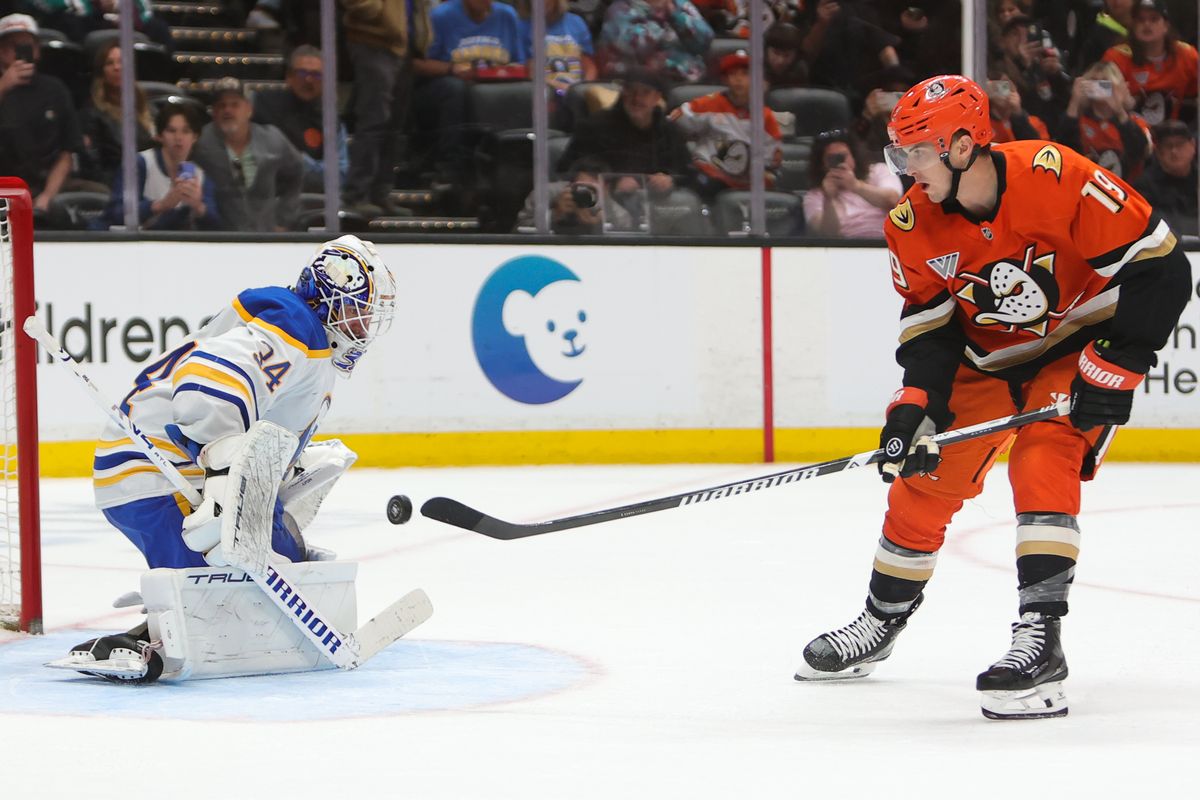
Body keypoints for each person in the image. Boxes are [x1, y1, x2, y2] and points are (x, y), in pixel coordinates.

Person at [794, 75, 1191, 720]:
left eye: (915, 151)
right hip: (984, 360)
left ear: (961, 144)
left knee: (1043, 459)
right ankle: (880, 621)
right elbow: (928, 324)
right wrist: (912, 405)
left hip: (1074, 348)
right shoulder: (911, 222)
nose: (904, 168)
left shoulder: (1053, 173)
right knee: (924, 485)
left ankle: (1041, 640)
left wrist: (1118, 365)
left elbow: (1162, 267)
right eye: (899, 153)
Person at [64, 235, 397, 682]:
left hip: (165, 468)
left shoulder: (306, 344)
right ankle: (155, 634)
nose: (363, 325)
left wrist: (284, 472)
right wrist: (224, 489)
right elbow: (204, 390)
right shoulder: (299, 327)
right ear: (327, 298)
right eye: (358, 309)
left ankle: (170, 617)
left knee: (287, 552)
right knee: (237, 586)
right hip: (156, 471)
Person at [412, 0, 526, 187]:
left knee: (520, 92)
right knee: (454, 89)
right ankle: (449, 166)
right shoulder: (441, 16)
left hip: (493, 88)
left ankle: (511, 162)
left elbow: (519, 63)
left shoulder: (507, 15)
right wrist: (452, 69)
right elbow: (417, 65)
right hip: (445, 86)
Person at [341, 0, 432, 217]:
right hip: (373, 41)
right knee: (374, 119)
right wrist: (378, 12)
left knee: (394, 123)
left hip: (403, 44)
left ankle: (380, 193)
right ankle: (357, 194)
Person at [0, 13, 85, 220]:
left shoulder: (55, 90)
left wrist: (46, 197)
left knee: (94, 197)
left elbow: (67, 152)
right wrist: (3, 86)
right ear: (1, 51)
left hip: (47, 185)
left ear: (37, 50)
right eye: (13, 46)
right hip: (4, 185)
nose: (20, 52)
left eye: (27, 45)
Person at [191, 76, 303, 232]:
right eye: (221, 106)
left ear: (249, 109)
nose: (227, 110)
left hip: (265, 239)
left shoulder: (272, 139)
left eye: (235, 105)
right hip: (217, 239)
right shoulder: (200, 143)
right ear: (214, 112)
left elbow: (297, 172)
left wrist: (284, 219)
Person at [556, 67, 691, 195]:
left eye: (645, 92)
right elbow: (566, 168)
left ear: (657, 98)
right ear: (622, 92)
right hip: (603, 203)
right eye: (631, 90)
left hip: (656, 207)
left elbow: (688, 173)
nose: (637, 98)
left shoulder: (669, 131)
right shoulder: (594, 125)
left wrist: (670, 180)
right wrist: (610, 181)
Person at [669, 50, 782, 198]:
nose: (739, 79)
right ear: (725, 80)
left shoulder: (765, 116)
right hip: (711, 173)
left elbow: (773, 157)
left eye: (745, 74)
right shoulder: (710, 104)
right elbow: (675, 119)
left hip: (747, 181)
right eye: (733, 74)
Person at [98, 103, 220, 231]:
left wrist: (198, 206)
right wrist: (160, 205)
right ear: (160, 136)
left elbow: (214, 223)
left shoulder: (200, 176)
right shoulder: (139, 164)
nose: (178, 138)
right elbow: (116, 212)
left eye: (186, 131)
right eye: (171, 131)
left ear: (195, 137)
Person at [252, 45, 349, 195]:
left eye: (317, 75)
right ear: (289, 76)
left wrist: (297, 161)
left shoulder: (331, 120)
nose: (309, 80)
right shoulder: (261, 105)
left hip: (312, 201)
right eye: (302, 73)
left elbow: (340, 175)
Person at [1102, 0, 1197, 126]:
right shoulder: (1116, 57)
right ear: (1133, 26)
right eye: (1140, 20)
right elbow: (1097, 94)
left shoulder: (1187, 54)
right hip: (1130, 131)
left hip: (1175, 133)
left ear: (1166, 25)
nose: (1147, 24)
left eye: (1154, 19)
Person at [1057, 61, 1151, 181]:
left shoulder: (1136, 122)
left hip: (1127, 190)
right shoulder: (1078, 121)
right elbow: (1063, 149)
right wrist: (1075, 102)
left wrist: (1119, 111)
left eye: (1105, 82)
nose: (1099, 86)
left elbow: (1142, 153)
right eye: (1094, 81)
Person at [78, 40, 154, 188]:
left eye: (121, 62)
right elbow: (94, 167)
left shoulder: (148, 107)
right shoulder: (92, 114)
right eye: (109, 63)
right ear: (102, 72)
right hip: (117, 185)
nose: (117, 67)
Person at [802, 128, 900, 238]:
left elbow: (893, 200)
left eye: (843, 156)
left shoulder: (879, 170)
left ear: (853, 157)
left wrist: (855, 186)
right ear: (822, 164)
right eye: (832, 159)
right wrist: (829, 199)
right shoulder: (814, 196)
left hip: (887, 239)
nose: (840, 162)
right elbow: (827, 234)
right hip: (847, 246)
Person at [596, 0, 714, 84]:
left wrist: (673, 12)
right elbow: (640, 48)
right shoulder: (619, 10)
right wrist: (658, 13)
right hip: (645, 87)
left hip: (692, 81)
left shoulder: (679, 4)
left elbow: (705, 40)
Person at [514, 155, 633, 233]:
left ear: (606, 189)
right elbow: (517, 232)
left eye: (593, 189)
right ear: (570, 185)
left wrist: (597, 227)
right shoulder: (545, 194)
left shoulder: (619, 215)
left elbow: (627, 251)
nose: (586, 194)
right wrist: (554, 215)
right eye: (581, 187)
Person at [1133, 119, 1198, 235]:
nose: (1174, 151)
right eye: (1168, 146)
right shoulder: (1144, 186)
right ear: (1158, 151)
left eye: (1180, 144)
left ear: (1192, 145)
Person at [985, 70, 1050, 143]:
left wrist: (1017, 114)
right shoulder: (984, 124)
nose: (1002, 92)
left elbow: (1038, 149)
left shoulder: (1034, 123)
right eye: (996, 87)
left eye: (1005, 86)